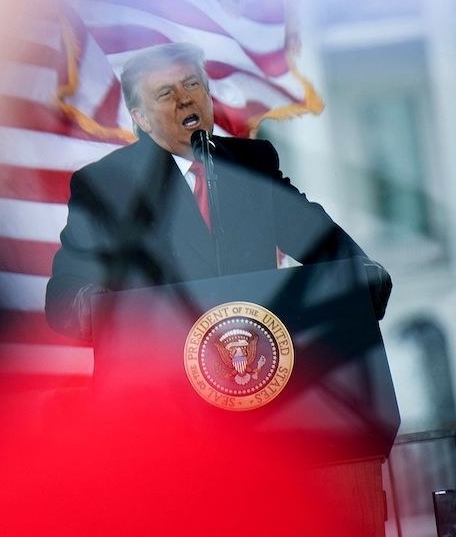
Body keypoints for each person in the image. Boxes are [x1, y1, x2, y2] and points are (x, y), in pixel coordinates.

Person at [46, 41, 389, 340]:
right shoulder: (107, 185)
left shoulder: (251, 165)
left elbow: (317, 240)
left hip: (256, 372)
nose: (184, 100)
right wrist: (114, 312)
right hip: (165, 390)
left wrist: (361, 271)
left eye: (192, 84)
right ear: (142, 119)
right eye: (166, 94)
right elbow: (65, 299)